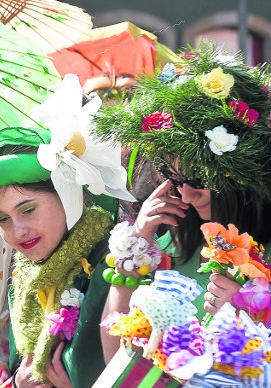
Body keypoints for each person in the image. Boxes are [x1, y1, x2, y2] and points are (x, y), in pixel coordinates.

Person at [0, 74, 135, 388]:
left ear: (69, 196)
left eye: (28, 209)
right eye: (2, 219)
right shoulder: (25, 277)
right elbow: (19, 369)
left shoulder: (121, 261)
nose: (18, 231)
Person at [93, 46, 271, 362]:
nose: (186, 196)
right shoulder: (168, 242)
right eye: (173, 178)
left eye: (198, 180)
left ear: (243, 176)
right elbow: (114, 361)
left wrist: (250, 319)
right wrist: (135, 246)